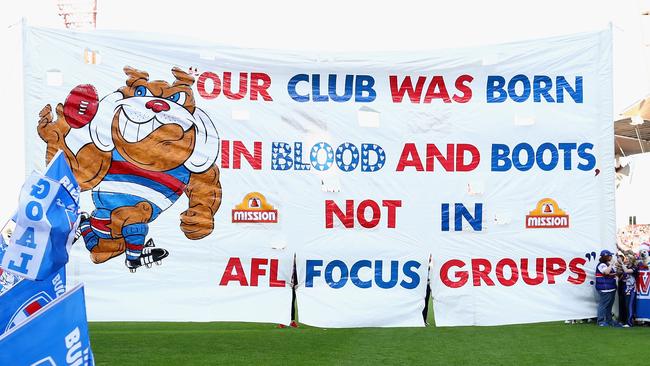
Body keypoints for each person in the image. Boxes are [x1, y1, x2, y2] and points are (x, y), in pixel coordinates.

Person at [595, 249, 622, 327]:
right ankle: (601, 321)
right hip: (605, 289)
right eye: (610, 255)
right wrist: (611, 264)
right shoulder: (602, 265)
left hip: (611, 288)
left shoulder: (607, 264)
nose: (611, 257)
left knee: (609, 306)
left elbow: (614, 273)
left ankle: (609, 320)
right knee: (603, 305)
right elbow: (606, 272)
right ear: (606, 257)